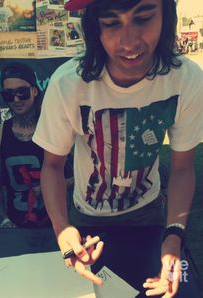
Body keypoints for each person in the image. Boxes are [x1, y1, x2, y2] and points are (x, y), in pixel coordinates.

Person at [33, 0, 203, 297]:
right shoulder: (68, 84)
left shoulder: (186, 79)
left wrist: (174, 233)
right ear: (93, 27)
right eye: (111, 23)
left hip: (148, 213)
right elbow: (52, 166)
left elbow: (183, 167)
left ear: (166, 15)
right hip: (86, 217)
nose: (129, 41)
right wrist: (63, 229)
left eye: (144, 18)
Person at [0, 62, 51, 228]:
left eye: (22, 92)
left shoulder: (53, 130)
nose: (16, 99)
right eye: (9, 94)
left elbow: (76, 177)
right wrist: (3, 220)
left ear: (34, 91)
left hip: (54, 225)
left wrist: (52, 186)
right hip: (15, 225)